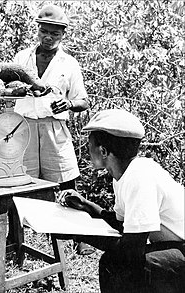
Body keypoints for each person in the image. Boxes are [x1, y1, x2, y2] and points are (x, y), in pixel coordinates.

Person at [58, 108, 185, 292]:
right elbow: (121, 224)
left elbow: (131, 250)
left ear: (103, 151)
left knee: (120, 264)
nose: (87, 150)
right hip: (175, 245)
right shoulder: (125, 173)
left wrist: (77, 234)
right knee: (116, 262)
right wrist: (85, 205)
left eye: (89, 145)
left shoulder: (138, 176)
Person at [13, 4, 94, 255]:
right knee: (18, 182)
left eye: (54, 33)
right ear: (37, 30)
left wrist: (68, 103)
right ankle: (13, 237)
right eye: (44, 31)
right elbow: (7, 86)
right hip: (23, 126)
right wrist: (17, 89)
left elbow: (84, 101)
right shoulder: (21, 58)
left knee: (67, 180)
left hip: (53, 128)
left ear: (63, 35)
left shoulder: (68, 64)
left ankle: (81, 237)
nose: (48, 37)